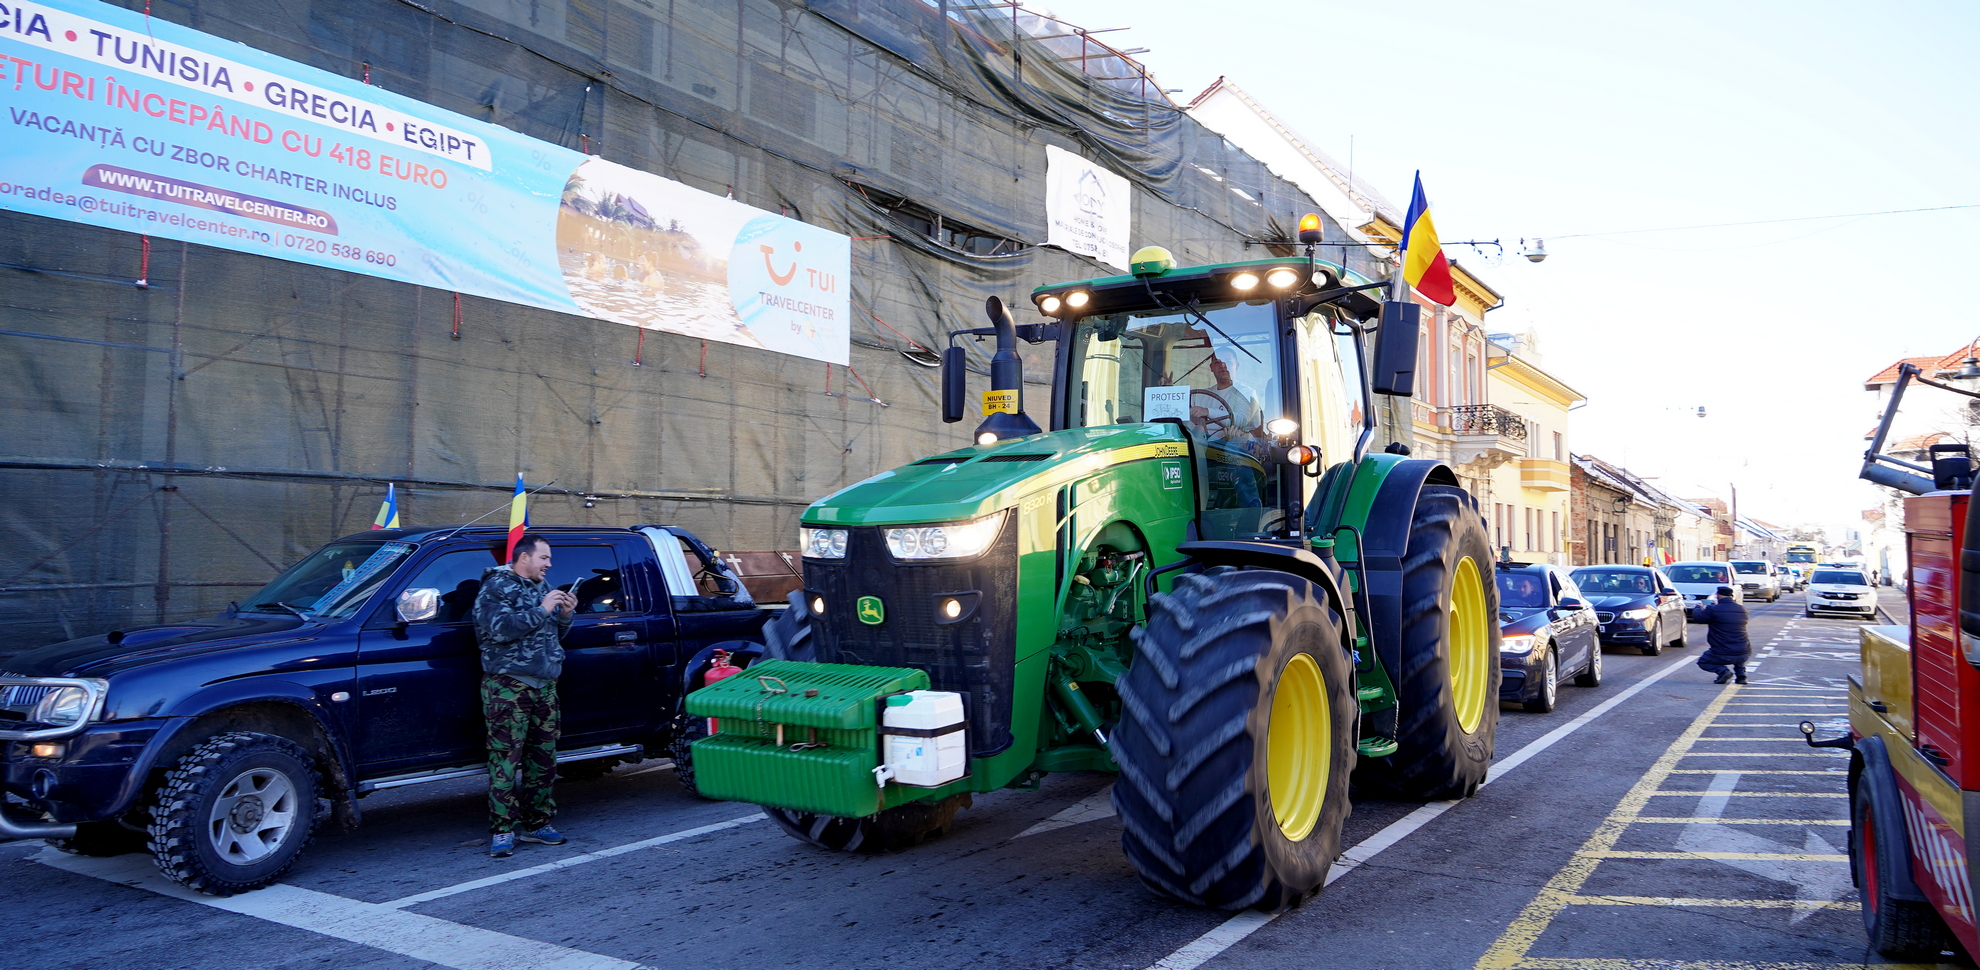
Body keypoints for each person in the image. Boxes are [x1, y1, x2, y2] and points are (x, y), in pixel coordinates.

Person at [472, 532, 577, 857]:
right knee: (505, 759)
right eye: (544, 557)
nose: (549, 564)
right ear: (524, 557)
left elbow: (553, 635)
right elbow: (498, 629)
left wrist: (564, 615)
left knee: (543, 760)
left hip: (544, 686)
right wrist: (544, 610)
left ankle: (537, 824)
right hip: (509, 687)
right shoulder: (495, 587)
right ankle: (503, 831)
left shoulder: (543, 589)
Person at [1694, 585, 1751, 685]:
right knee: (1738, 648)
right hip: (1744, 652)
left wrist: (1698, 607)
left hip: (1722, 653)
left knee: (1703, 661)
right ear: (1732, 596)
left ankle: (1723, 671)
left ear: (1718, 596)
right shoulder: (1743, 609)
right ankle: (1741, 676)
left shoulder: (1713, 609)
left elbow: (1699, 618)